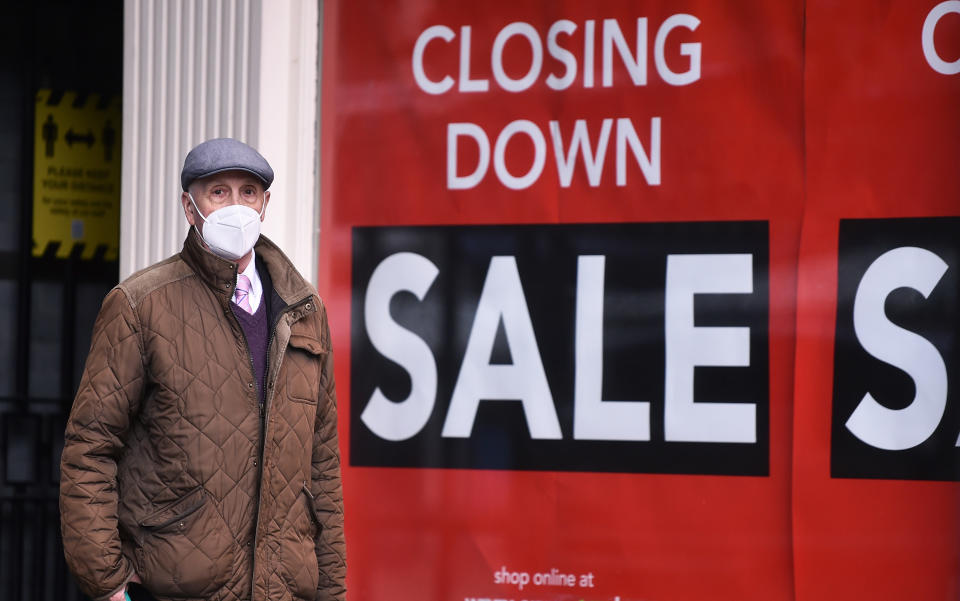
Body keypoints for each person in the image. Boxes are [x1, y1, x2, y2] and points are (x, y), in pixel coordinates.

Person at [59, 138, 346, 601]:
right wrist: (107, 581)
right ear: (190, 208)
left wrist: (332, 592)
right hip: (172, 585)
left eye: (248, 192)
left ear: (266, 204)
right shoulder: (140, 304)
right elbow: (90, 448)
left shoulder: (304, 310)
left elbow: (323, 468)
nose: (237, 206)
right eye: (219, 192)